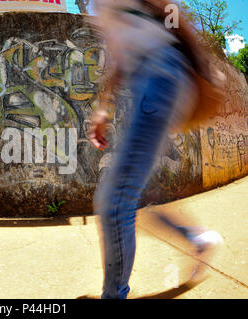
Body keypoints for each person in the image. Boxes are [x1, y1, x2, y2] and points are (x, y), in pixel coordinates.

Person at [88, 0, 224, 299]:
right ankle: (198, 239)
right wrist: (103, 108)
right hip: (148, 82)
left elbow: (169, 9)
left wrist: (199, 67)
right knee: (137, 197)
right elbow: (119, 61)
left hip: (161, 74)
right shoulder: (101, 7)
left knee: (115, 201)